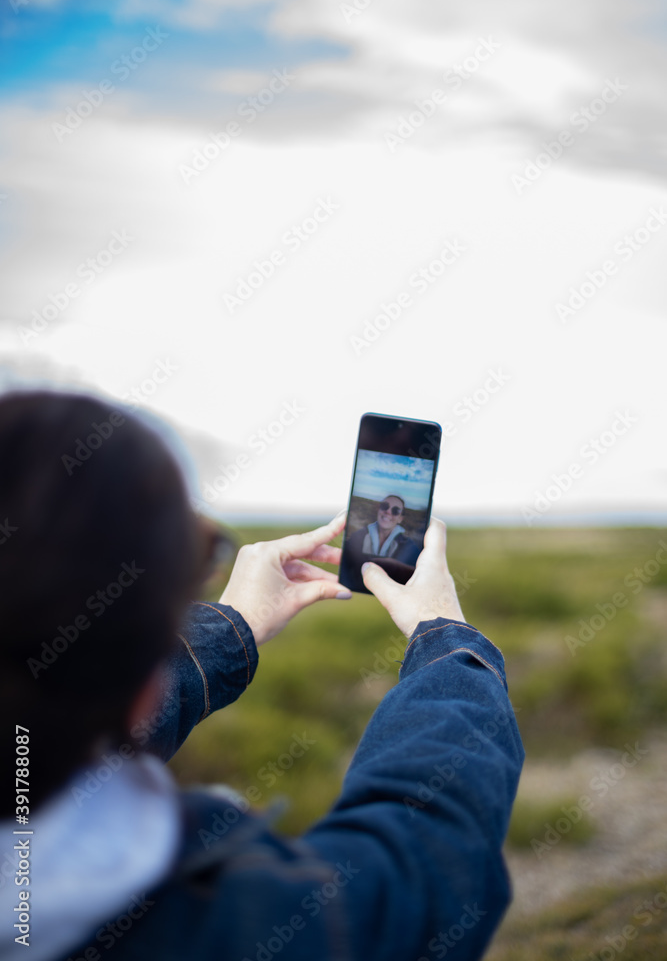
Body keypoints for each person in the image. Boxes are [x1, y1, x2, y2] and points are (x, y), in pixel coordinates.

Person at [0, 390, 524, 961]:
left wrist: (233, 626)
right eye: (200, 558)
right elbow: (417, 871)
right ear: (145, 680)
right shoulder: (244, 932)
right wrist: (448, 641)